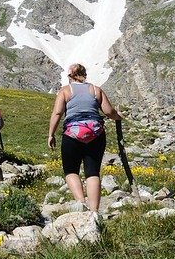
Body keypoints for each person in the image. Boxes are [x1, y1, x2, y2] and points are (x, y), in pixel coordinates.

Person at [47, 63, 123, 212]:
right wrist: (118, 117)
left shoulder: (65, 91)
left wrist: (51, 134)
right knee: (93, 172)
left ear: (70, 76)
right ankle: (94, 212)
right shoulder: (96, 90)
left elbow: (57, 113)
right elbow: (109, 112)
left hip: (72, 135)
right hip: (96, 134)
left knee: (71, 171)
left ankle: (81, 203)